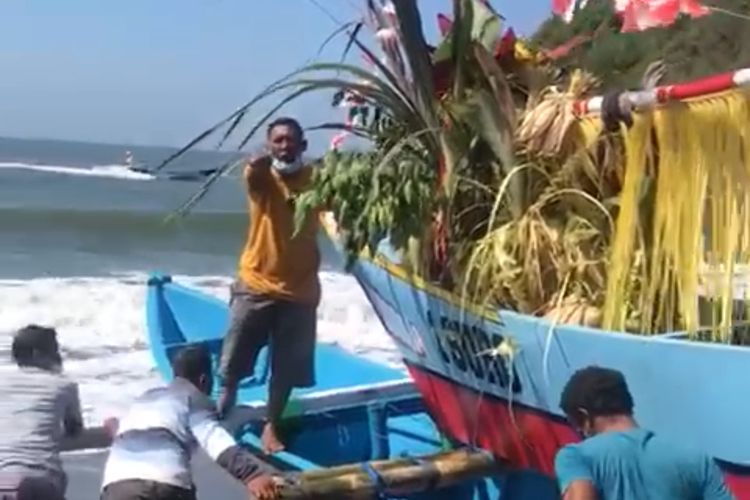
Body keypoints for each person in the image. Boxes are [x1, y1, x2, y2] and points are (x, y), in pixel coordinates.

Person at [217, 116, 321, 454]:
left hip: (301, 290)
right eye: (278, 140)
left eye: (291, 140)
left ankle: (272, 425)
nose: (284, 146)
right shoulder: (262, 177)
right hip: (256, 282)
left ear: (303, 145)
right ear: (269, 143)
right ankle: (226, 398)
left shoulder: (318, 180)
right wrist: (256, 162)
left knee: (287, 367)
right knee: (235, 352)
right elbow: (253, 173)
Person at [100, 345, 280, 500]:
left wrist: (115, 429)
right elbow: (212, 437)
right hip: (163, 483)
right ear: (204, 380)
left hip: (117, 486)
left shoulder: (146, 398)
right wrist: (251, 474)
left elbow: (134, 430)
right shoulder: (193, 398)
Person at [555, 366, 734, 500]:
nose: (578, 431)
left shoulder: (575, 457)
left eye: (575, 423)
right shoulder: (696, 460)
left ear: (584, 416)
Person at [0, 325, 103, 500]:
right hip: (39, 478)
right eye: (54, 350)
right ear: (37, 354)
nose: (58, 356)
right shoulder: (63, 385)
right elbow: (74, 433)